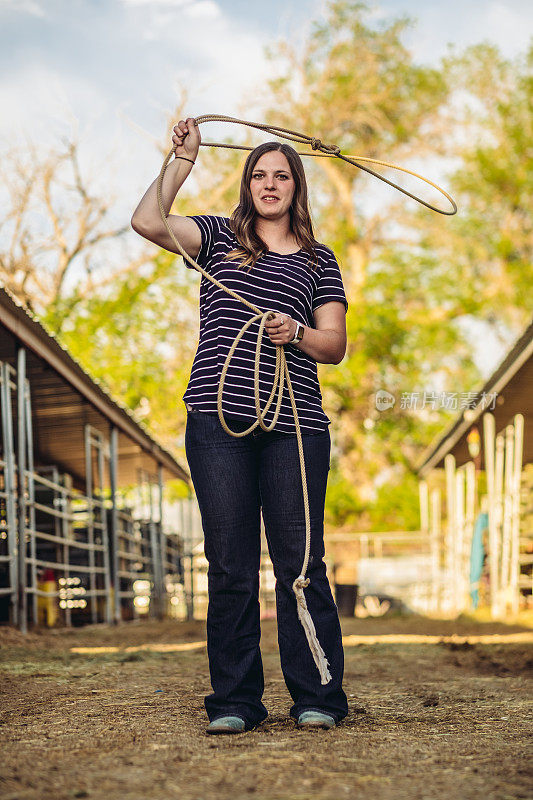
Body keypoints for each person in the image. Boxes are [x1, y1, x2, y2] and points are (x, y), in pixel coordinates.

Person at [131, 117, 349, 734]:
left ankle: (318, 696)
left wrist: (297, 333)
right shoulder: (217, 236)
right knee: (229, 564)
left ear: (296, 188)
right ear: (247, 184)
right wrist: (182, 162)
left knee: (301, 563)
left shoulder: (319, 259)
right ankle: (234, 702)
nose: (270, 184)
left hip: (296, 421)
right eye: (260, 174)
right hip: (217, 417)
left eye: (282, 175)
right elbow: (147, 222)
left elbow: (334, 345)